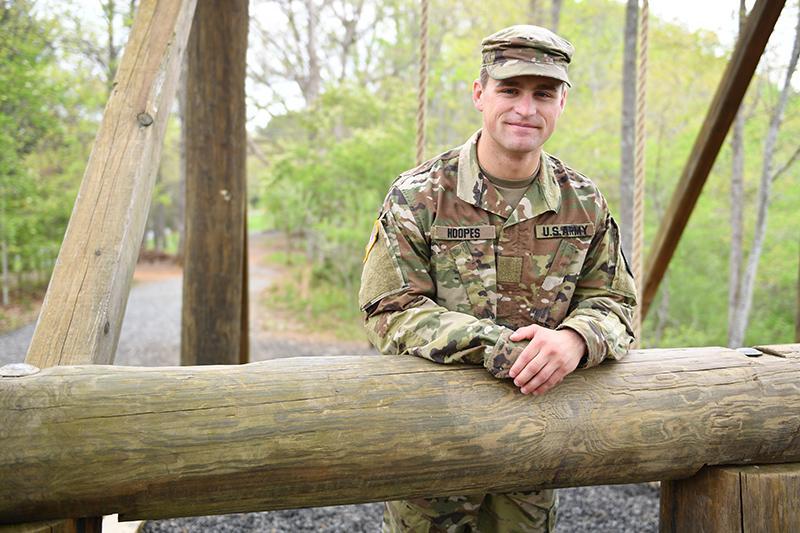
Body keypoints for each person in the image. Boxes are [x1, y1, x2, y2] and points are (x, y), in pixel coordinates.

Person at [359, 24, 637, 533]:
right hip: (435, 447)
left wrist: (575, 340)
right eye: (510, 90)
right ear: (479, 93)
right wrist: (498, 346)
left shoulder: (584, 200)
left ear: (562, 103)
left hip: (534, 450)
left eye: (543, 94)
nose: (526, 110)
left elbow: (616, 302)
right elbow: (389, 312)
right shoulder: (418, 196)